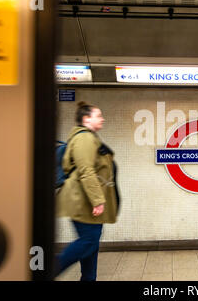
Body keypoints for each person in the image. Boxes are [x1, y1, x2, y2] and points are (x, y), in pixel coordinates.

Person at [55, 101, 118, 281]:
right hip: (83, 201)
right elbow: (86, 170)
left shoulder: (89, 138)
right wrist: (98, 200)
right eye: (98, 115)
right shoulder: (84, 138)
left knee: (91, 246)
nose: (102, 119)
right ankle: (51, 268)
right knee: (89, 241)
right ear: (86, 119)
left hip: (85, 200)